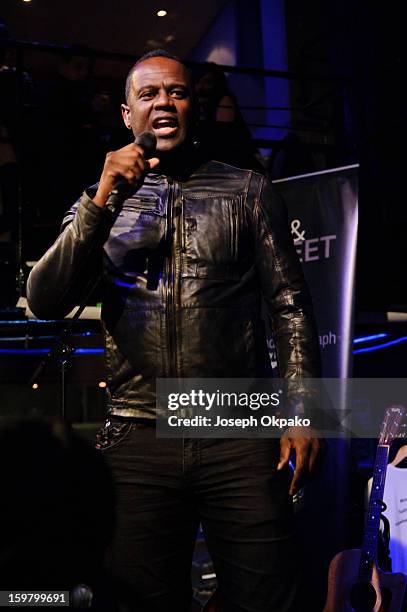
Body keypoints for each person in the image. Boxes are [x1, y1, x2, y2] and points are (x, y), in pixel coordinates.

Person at [27, 50, 321, 612]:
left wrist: (304, 412)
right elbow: (45, 300)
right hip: (139, 428)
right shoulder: (100, 200)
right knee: (138, 599)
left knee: (269, 593)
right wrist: (101, 198)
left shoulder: (248, 191)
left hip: (233, 421)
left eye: (178, 92)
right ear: (126, 113)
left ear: (194, 107)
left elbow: (290, 306)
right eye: (149, 94)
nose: (164, 101)